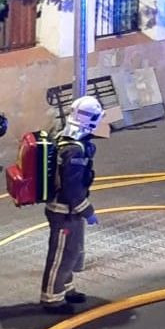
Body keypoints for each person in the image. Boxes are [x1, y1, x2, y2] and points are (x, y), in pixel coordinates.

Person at [41, 95, 104, 314]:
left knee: (72, 251)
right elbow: (72, 187)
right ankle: (51, 298)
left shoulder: (64, 136)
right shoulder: (74, 150)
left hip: (67, 209)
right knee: (61, 253)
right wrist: (88, 212)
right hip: (64, 210)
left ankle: (66, 288)